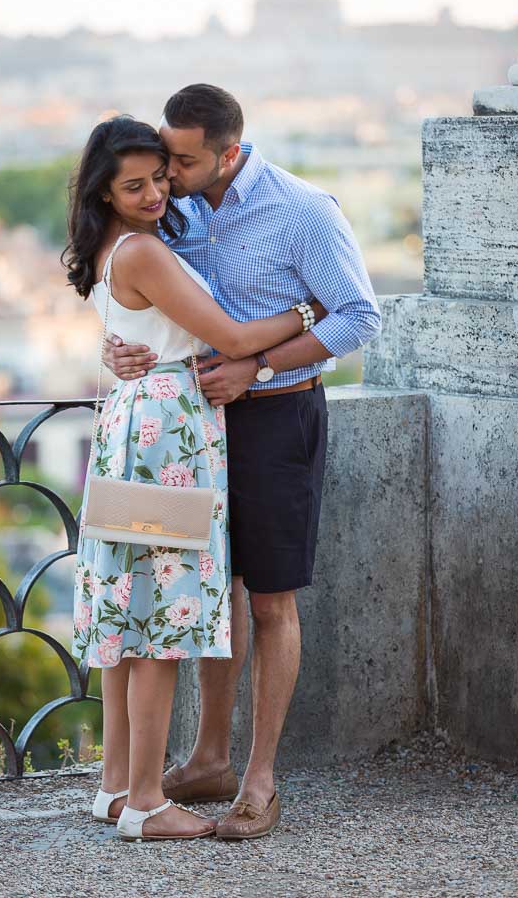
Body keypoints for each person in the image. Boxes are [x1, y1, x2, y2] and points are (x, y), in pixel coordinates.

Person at [103, 85, 382, 840]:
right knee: (205, 592)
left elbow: (358, 315)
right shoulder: (175, 210)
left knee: (268, 601)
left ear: (229, 152)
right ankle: (204, 761)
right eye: (162, 159)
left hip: (275, 420)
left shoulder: (302, 211)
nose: (167, 174)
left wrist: (254, 371)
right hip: (193, 430)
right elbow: (155, 306)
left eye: (182, 161)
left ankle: (258, 782)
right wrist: (121, 345)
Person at [62, 115, 326, 842]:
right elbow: (234, 339)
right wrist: (309, 309)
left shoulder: (106, 247)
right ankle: (147, 805)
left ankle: (115, 788)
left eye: (159, 177)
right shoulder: (145, 250)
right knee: (160, 615)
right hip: (168, 439)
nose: (155, 193)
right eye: (135, 184)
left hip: (132, 427)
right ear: (105, 191)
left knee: (127, 614)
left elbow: (134, 328)